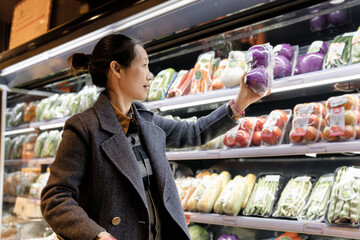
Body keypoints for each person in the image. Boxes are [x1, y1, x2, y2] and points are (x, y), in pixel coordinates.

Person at [40, 34, 266, 240]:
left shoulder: (146, 121)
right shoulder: (84, 128)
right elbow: (55, 197)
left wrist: (240, 103)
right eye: (145, 66)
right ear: (117, 69)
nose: (150, 76)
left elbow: (194, 132)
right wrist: (97, 235)